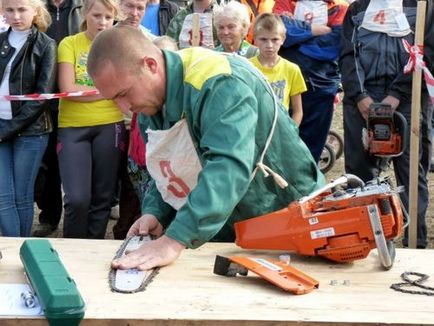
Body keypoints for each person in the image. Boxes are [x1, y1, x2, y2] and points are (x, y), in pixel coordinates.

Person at [87, 25, 325, 270]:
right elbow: (169, 167)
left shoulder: (220, 82)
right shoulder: (150, 102)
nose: (124, 109)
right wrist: (155, 213)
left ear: (151, 65)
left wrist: (174, 240)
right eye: (114, 99)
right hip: (233, 228)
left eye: (124, 94)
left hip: (291, 219)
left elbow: (228, 168)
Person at [340, 0, 434, 249]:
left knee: (412, 175)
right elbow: (348, 55)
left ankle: (415, 243)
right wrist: (360, 97)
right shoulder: (357, 9)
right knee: (360, 178)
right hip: (362, 101)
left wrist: (397, 95)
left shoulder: (424, 7)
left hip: (409, 99)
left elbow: (429, 50)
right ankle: (365, 242)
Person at [57, 0, 125, 239]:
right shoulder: (69, 44)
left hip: (110, 124)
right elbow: (68, 87)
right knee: (77, 198)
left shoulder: (119, 47)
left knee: (103, 197)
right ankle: (72, 247)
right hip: (72, 127)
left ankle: (93, 247)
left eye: (108, 17)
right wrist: (106, 91)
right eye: (97, 15)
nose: (102, 22)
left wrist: (94, 92)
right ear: (86, 14)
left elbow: (122, 86)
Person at [0, 0, 56, 237]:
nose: (16, 15)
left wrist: (6, 130)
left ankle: (18, 250)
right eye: (10, 10)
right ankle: (13, 248)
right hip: (1, 126)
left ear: (36, 11)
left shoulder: (46, 44)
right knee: (3, 195)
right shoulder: (1, 41)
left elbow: (41, 96)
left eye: (22, 9)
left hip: (31, 131)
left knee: (22, 196)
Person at [273, 0, 349, 162]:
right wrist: (316, 30)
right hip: (286, 83)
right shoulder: (285, 2)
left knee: (312, 147)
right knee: (281, 139)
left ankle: (308, 182)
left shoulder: (340, 7)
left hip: (322, 85)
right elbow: (280, 34)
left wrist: (296, 42)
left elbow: (332, 46)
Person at [33, 0, 83, 238]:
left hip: (76, 102)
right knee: (48, 164)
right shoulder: (38, 8)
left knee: (74, 165)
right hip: (44, 99)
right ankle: (48, 216)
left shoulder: (82, 6)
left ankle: (81, 217)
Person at [250, 13, 306, 126]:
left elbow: (298, 111)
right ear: (255, 39)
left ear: (283, 39)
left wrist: (291, 133)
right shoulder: (247, 67)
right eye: (263, 39)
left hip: (281, 130)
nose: (269, 45)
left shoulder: (292, 69)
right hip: (254, 129)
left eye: (275, 39)